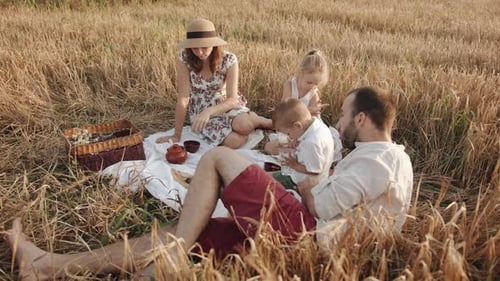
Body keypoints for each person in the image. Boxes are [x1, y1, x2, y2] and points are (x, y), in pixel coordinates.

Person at [6, 87, 414, 280]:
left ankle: (181, 242)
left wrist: (306, 185)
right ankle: (46, 267)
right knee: (176, 245)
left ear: (362, 119)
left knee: (218, 157)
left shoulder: (383, 159)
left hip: (305, 234)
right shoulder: (380, 160)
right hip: (301, 234)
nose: (338, 122)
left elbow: (320, 206)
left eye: (343, 115)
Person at [156, 18, 272, 148]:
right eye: (194, 48)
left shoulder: (229, 59)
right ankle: (245, 123)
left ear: (214, 44)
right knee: (235, 142)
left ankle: (261, 121)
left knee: (244, 126)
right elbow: (183, 98)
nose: (199, 52)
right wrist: (176, 134)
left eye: (204, 47)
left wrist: (209, 112)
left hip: (225, 105)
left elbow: (232, 99)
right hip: (200, 111)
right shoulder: (184, 59)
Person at [264, 50, 342, 161]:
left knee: (328, 142)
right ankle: (296, 153)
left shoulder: (313, 93)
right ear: (300, 74)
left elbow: (312, 119)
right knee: (272, 145)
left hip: (306, 128)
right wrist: (309, 109)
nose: (312, 86)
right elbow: (285, 110)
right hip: (290, 125)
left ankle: (301, 153)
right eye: (309, 82)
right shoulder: (290, 85)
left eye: (316, 84)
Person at [269, 98, 334, 190]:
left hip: (304, 181)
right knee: (266, 176)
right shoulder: (317, 125)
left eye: (288, 134)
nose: (290, 137)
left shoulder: (311, 143)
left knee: (265, 182)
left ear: (297, 126)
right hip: (302, 170)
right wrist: (298, 140)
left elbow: (315, 170)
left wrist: (294, 165)